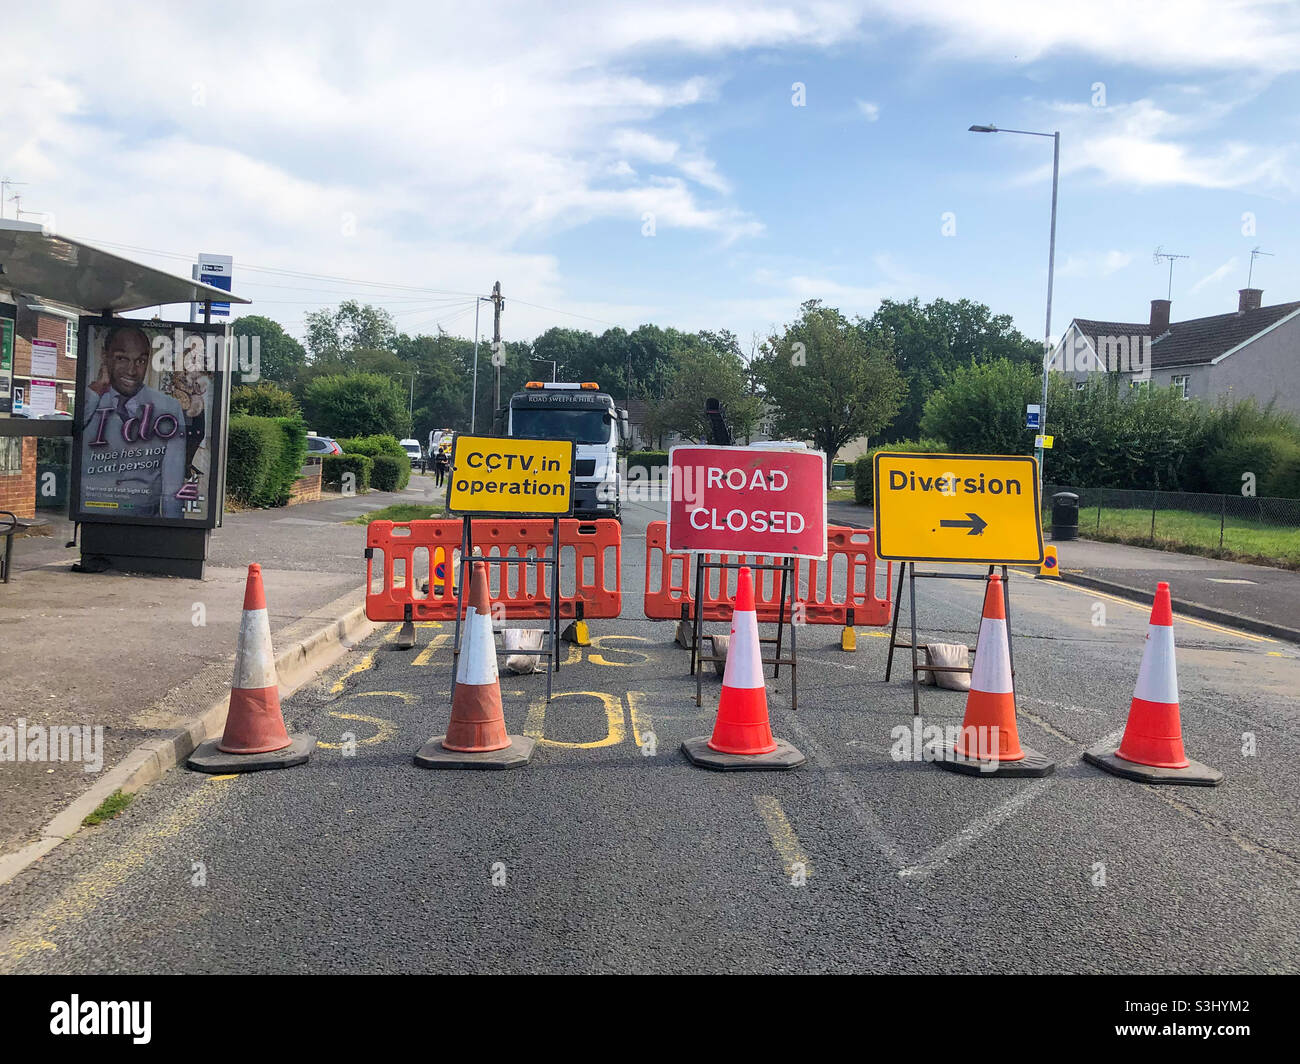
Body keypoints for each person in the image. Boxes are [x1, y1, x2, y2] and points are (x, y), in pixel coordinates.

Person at [80, 326, 188, 519]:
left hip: (142, 523)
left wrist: (173, 532)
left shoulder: (168, 408)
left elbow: (172, 484)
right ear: (105, 357)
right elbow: (72, 435)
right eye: (122, 358)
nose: (132, 370)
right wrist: (95, 392)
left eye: (141, 361)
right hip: (94, 518)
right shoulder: (90, 401)